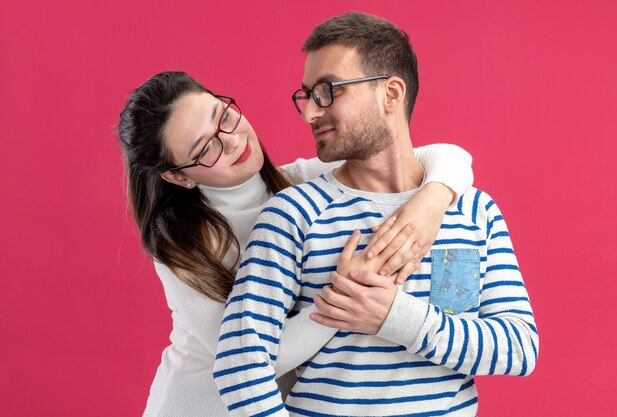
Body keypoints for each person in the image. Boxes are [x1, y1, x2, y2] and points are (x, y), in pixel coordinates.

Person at [213, 11, 538, 417]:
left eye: (328, 90)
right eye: (307, 96)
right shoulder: (293, 214)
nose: (311, 113)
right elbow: (239, 361)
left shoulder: (475, 211)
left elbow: (520, 348)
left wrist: (398, 318)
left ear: (391, 93)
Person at [117, 70, 474, 417]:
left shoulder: (302, 184)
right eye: (207, 147)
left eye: (224, 115)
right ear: (178, 176)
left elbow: (445, 157)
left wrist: (432, 200)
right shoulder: (182, 248)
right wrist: (346, 295)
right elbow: (253, 360)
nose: (233, 139)